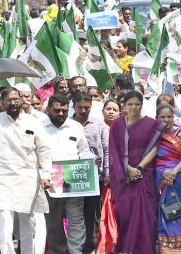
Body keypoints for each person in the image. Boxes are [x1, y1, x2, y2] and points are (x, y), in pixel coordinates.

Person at [0, 85, 51, 254]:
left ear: (21, 99)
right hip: (1, 176)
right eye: (8, 100)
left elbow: (44, 149)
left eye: (16, 99)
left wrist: (46, 174)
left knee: (26, 220)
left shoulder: (33, 121)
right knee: (5, 217)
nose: (13, 103)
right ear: (2, 103)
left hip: (27, 176)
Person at [109, 90, 166, 253]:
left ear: (142, 105)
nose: (134, 107)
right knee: (124, 214)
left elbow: (155, 149)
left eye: (137, 104)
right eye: (130, 104)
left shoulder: (151, 124)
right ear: (124, 106)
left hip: (144, 175)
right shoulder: (117, 124)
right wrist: (127, 169)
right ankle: (126, 248)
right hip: (122, 176)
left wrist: (139, 168)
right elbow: (114, 151)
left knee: (146, 216)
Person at [43, 94, 95, 254]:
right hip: (50, 182)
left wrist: (91, 160)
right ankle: (58, 250)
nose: (60, 114)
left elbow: (83, 150)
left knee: (76, 219)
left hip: (74, 179)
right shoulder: (39, 127)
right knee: (53, 221)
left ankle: (76, 251)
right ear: (48, 109)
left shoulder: (75, 126)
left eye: (64, 111)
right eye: (57, 110)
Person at [71, 92, 109, 253]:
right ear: (74, 105)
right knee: (75, 213)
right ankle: (76, 245)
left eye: (87, 107)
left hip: (95, 177)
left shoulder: (99, 125)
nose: (84, 110)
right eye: (80, 107)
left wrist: (107, 172)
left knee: (92, 212)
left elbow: (107, 149)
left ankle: (91, 245)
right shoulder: (68, 123)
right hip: (72, 176)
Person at [155, 104, 181, 253]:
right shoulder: (153, 134)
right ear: (157, 118)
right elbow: (150, 156)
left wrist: (174, 171)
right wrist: (164, 172)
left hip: (180, 178)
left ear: (174, 117)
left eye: (169, 116)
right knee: (165, 215)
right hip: (160, 179)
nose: (166, 120)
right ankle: (166, 249)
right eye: (162, 117)